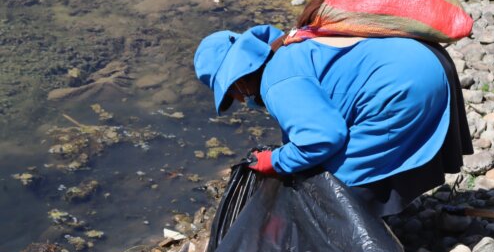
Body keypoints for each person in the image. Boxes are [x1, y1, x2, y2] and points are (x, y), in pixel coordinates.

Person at [194, 22, 472, 217]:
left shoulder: (276, 83)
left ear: (239, 81)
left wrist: (276, 162)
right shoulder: (287, 50)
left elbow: (323, 138)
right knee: (339, 158)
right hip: (431, 63)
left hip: (408, 87)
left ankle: (367, 243)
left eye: (233, 95)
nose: (241, 102)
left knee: (335, 180)